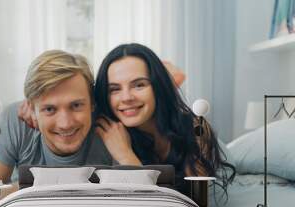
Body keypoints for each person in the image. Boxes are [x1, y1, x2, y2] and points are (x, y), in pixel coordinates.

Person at [0, 50, 112, 203]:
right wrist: (43, 185)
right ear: (31, 110)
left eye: (76, 105)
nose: (65, 124)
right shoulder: (16, 120)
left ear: (93, 103)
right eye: (50, 109)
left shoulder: (112, 126)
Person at [93, 43, 235, 194]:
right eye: (114, 89)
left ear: (158, 86)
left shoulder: (195, 128)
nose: (126, 97)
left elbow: (196, 201)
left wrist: (126, 157)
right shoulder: (105, 133)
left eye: (139, 85)